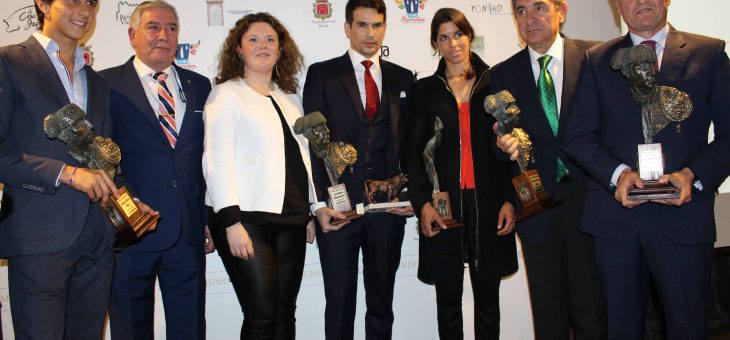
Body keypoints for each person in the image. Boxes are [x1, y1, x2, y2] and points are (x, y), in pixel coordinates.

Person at [563, 0, 730, 338]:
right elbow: (578, 136)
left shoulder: (708, 53)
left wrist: (692, 175)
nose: (641, 1)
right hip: (615, 223)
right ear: (617, 8)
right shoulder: (597, 60)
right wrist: (619, 175)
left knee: (689, 328)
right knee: (621, 330)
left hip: (684, 219)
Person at [0, 0, 151, 338]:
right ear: (43, 4)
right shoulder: (8, 61)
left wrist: (127, 203)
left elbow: (102, 160)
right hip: (39, 237)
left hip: (98, 238)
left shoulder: (97, 82)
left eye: (91, 2)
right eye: (73, 0)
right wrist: (66, 174)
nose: (84, 10)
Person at [488, 0, 606, 338]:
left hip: (590, 200)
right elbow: (498, 154)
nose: (530, 18)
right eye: (521, 11)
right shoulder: (502, 74)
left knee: (593, 312)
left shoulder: (594, 58)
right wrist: (501, 146)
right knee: (549, 315)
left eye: (539, 7)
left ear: (561, 11)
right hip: (537, 207)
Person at [99, 1, 214, 339]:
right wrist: (127, 206)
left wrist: (205, 217)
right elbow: (98, 157)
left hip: (187, 231)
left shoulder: (200, 85)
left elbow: (204, 159)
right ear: (133, 34)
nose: (164, 35)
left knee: (190, 327)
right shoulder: (104, 84)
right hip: (132, 229)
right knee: (132, 329)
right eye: (153, 27)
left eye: (172, 27)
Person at [302, 0, 415, 338]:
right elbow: (311, 145)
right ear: (348, 28)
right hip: (338, 211)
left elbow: (409, 143)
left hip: (386, 209)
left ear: (385, 27)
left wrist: (410, 194)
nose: (370, 33)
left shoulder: (401, 77)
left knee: (381, 303)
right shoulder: (323, 74)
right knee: (339, 303)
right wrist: (318, 205)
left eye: (377, 25)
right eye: (363, 25)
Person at [403, 8, 517, 340]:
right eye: (443, 37)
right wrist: (422, 203)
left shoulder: (495, 82)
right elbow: (412, 153)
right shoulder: (425, 90)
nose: (453, 43)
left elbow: (515, 148)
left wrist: (511, 200)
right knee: (448, 299)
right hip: (443, 204)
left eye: (458, 34)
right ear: (435, 44)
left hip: (489, 202)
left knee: (487, 299)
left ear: (469, 36)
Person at [203, 12, 318, 340]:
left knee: (285, 313)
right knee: (262, 315)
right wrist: (230, 222)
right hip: (247, 221)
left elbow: (300, 160)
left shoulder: (290, 99)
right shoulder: (226, 95)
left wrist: (308, 210)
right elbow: (216, 161)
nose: (262, 45)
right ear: (238, 49)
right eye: (253, 39)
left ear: (281, 49)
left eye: (270, 39)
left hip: (292, 220)